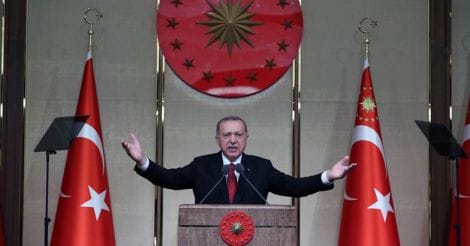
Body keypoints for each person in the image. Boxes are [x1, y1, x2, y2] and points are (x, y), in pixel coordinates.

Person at [121, 116, 356, 204]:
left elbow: (293, 187)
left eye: (238, 135)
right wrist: (143, 161)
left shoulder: (262, 167)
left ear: (246, 139)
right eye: (227, 135)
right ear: (217, 140)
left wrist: (328, 175)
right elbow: (171, 179)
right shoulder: (202, 165)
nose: (232, 140)